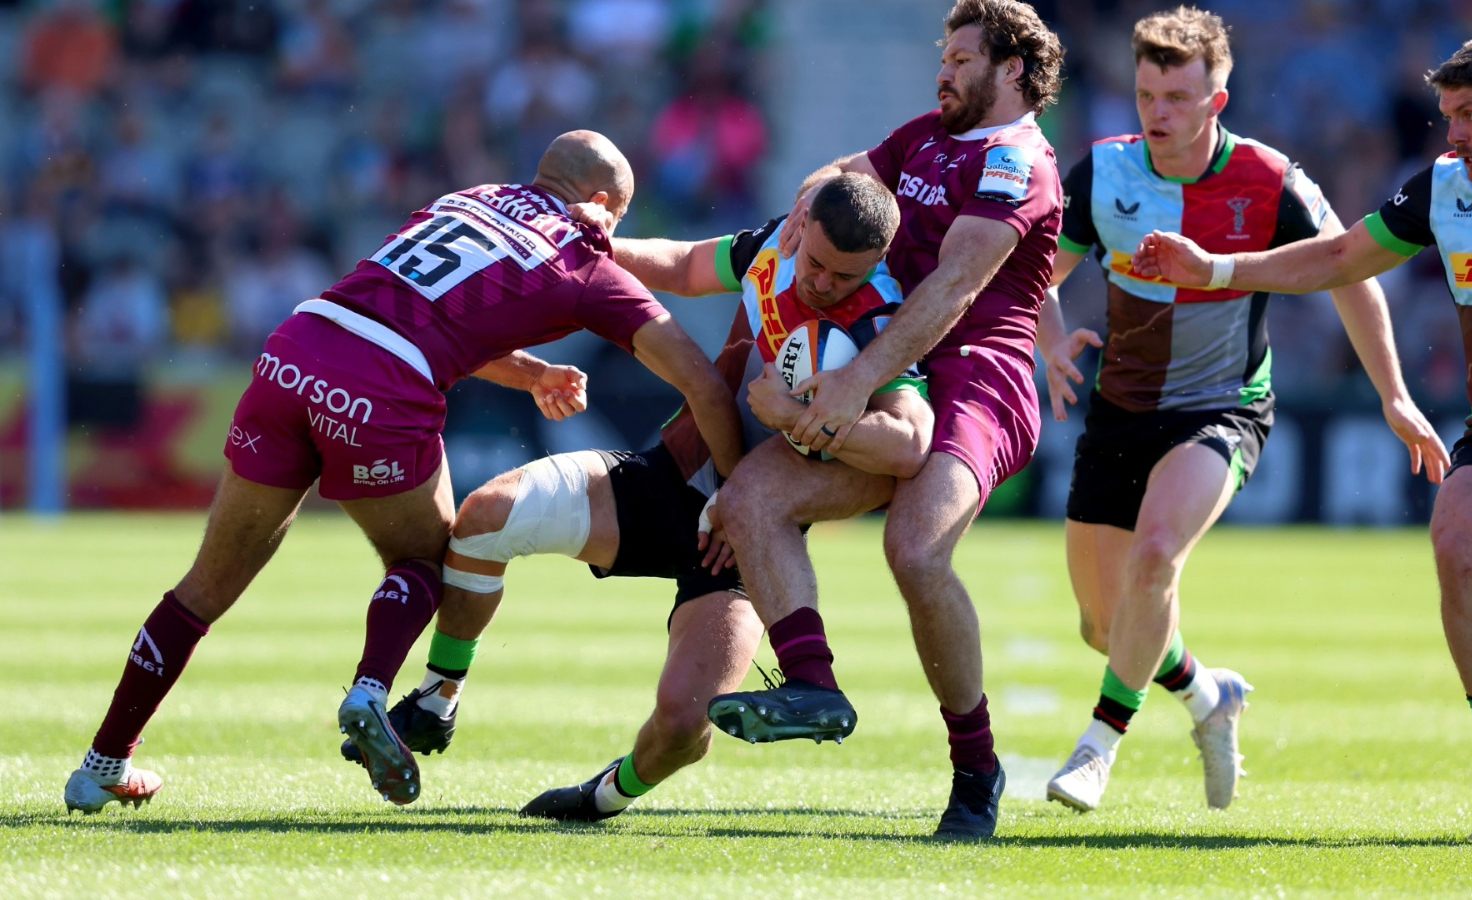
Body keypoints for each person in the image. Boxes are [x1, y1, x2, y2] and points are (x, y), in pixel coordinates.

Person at [63, 131, 743, 814]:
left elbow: (421, 313)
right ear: (600, 202)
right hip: (379, 389)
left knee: (203, 589)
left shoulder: (469, 199)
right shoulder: (585, 261)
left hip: (295, 351)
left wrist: (531, 374)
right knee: (426, 559)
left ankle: (102, 764)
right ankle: (369, 692)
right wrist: (738, 497)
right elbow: (705, 387)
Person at [1133, 33, 1472, 843]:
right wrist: (1216, 269)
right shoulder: (1444, 187)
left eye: (1468, 115)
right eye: (1447, 114)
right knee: (1457, 543)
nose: (1451, 132)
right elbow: (1343, 257)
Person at [358, 173, 932, 822]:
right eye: (817, 263)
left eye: (844, 276)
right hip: (671, 478)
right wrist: (599, 244)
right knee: (486, 516)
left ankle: (602, 798)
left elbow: (909, 443)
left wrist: (798, 413)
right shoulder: (776, 243)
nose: (823, 283)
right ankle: (437, 700)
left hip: (742, 546)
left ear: (878, 263)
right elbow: (685, 265)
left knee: (684, 725)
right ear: (804, 226)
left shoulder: (881, 319)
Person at [1037, 7, 1448, 815]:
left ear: (1216, 101)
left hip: (1221, 410)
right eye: (1147, 95)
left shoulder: (1269, 178)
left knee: (1157, 556)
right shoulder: (1104, 171)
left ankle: (1096, 749)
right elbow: (1038, 274)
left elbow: (1350, 274)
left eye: (1176, 98)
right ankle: (1207, 695)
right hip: (1120, 412)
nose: (1157, 113)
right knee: (1105, 627)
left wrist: (1394, 395)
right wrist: (1048, 337)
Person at [703, 0, 1064, 841]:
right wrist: (807, 202)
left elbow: (954, 289)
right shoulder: (925, 137)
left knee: (915, 548)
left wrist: (854, 380)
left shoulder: (1018, 163)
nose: (944, 71)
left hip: (977, 382)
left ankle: (976, 770)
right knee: (752, 500)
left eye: (963, 59)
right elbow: (842, 174)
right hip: (890, 372)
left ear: (1012, 70)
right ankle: (812, 686)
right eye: (944, 55)